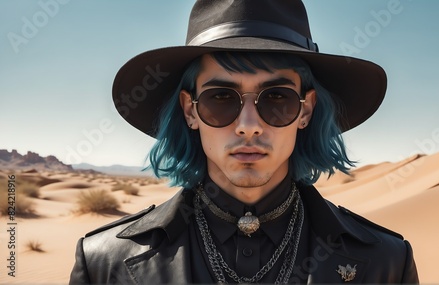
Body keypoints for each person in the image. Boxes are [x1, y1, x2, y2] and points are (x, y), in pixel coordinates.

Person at [69, 0, 419, 284]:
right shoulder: (104, 262)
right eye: (220, 98)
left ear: (305, 111)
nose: (248, 126)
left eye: (276, 98)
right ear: (190, 111)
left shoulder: (386, 263)